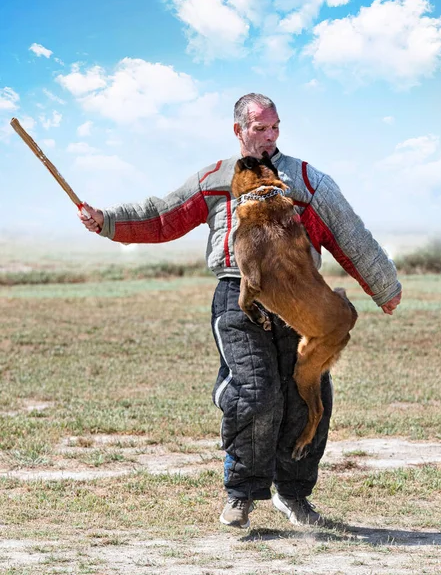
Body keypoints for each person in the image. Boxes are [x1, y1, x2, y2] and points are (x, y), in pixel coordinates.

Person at [79, 92, 402, 529]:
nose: (269, 137)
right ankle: (242, 496)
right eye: (259, 128)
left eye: (274, 127)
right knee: (255, 393)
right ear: (239, 130)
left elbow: (350, 235)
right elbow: (161, 216)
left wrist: (384, 287)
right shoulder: (215, 179)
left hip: (298, 301)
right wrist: (108, 221)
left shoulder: (306, 180)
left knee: (307, 399)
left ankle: (294, 496)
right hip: (237, 295)